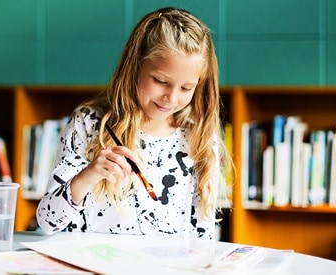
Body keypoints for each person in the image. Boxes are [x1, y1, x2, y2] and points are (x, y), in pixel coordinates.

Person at [36, 7, 233, 241]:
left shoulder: (197, 136)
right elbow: (47, 222)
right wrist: (88, 175)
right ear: (135, 67)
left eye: (186, 88)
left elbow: (203, 236)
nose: (171, 97)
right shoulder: (89, 123)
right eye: (161, 81)